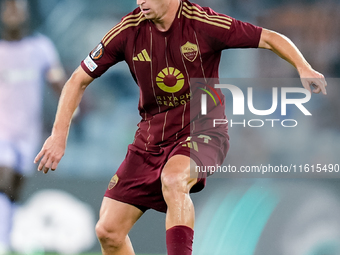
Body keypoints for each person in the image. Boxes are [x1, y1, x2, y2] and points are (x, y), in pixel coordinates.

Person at [34, 0, 327, 254]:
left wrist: (303, 66)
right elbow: (77, 80)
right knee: (107, 231)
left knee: (174, 179)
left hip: (203, 132)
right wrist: (59, 137)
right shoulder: (128, 30)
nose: (140, 2)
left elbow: (269, 38)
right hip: (150, 140)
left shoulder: (204, 23)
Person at [0, 0, 66, 253]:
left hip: (27, 134)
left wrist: (71, 111)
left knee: (13, 188)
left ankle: (8, 234)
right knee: (3, 176)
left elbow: (57, 82)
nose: (14, 11)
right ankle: (3, 243)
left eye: (18, 6)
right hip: (1, 132)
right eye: (9, 6)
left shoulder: (41, 48)